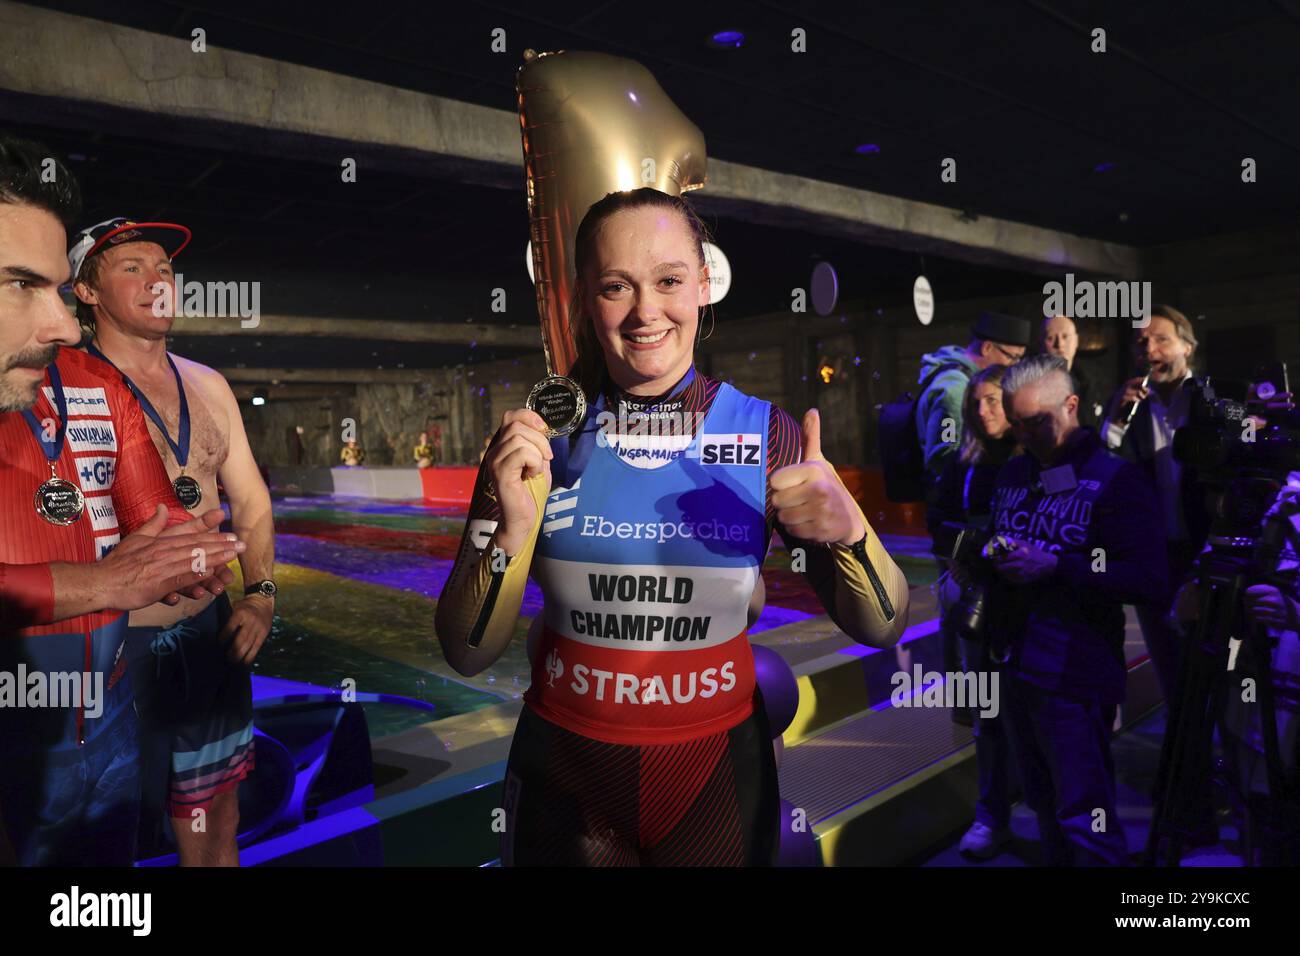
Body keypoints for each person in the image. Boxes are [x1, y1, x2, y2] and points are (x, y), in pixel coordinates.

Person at [436, 187, 909, 866]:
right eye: (615, 287)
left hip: (714, 782)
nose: (645, 312)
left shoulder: (766, 433)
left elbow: (881, 626)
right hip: (566, 781)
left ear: (703, 287)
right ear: (580, 300)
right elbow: (466, 651)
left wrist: (849, 533)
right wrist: (511, 532)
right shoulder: (540, 436)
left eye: (668, 281)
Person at [0, 135, 244, 865]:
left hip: (106, 723)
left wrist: (202, 561)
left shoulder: (100, 386)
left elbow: (161, 525)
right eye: (20, 284)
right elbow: (131, 566)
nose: (63, 329)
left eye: (52, 285)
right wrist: (108, 583)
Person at [70, 216, 276, 867]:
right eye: (132, 267)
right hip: (108, 650)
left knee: (215, 822)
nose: (157, 280)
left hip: (209, 638)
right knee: (98, 838)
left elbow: (250, 500)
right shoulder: (61, 389)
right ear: (86, 292)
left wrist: (261, 595)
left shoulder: (209, 386)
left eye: (164, 268)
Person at [987, 354, 1167, 865]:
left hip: (1074, 670)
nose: (1023, 434)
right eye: (1014, 422)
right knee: (1043, 805)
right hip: (1013, 661)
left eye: (1035, 421)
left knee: (1083, 812)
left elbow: (1151, 579)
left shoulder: (1117, 480)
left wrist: (1058, 566)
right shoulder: (1015, 471)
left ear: (1071, 406)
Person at [927, 364, 1020, 859]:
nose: (984, 411)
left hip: (1028, 600)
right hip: (974, 598)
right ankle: (991, 814)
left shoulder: (1034, 460)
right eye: (977, 403)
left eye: (993, 401)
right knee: (985, 714)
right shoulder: (961, 465)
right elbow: (937, 518)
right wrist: (959, 560)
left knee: (1027, 712)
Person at [1100, 306, 1201, 701]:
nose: (1149, 349)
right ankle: (1181, 757)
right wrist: (1113, 422)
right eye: (1142, 342)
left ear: (1187, 347)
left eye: (1161, 339)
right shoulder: (1129, 408)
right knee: (1169, 668)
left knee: (1221, 665)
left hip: (1207, 555)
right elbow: (1101, 476)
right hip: (1155, 558)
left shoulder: (1215, 400)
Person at [915, 310, 1030, 494]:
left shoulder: (956, 378)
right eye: (1012, 357)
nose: (1015, 365)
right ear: (986, 348)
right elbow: (945, 452)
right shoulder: (954, 391)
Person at [1040, 314, 1100, 429]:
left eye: (1065, 336)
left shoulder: (1088, 383)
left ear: (1076, 341)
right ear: (1040, 343)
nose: (1060, 345)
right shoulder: (1030, 385)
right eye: (1050, 338)